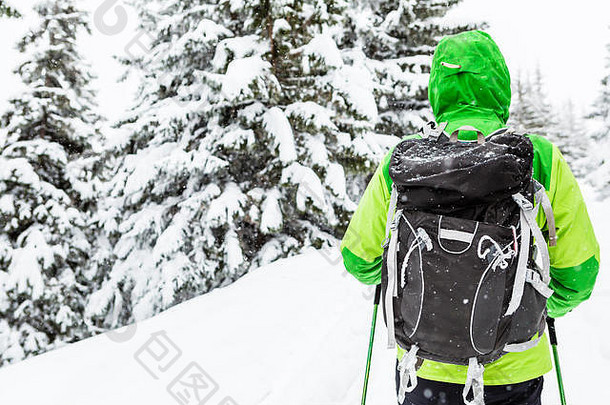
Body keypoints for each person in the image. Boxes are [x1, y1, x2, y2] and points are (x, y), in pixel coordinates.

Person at [340, 30, 600, 405]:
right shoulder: (539, 158)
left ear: (437, 87)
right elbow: (578, 273)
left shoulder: (405, 161)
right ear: (498, 83)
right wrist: (531, 304)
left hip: (423, 367)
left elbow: (359, 258)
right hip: (513, 368)